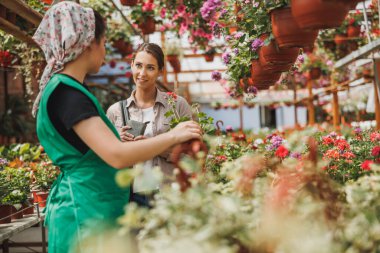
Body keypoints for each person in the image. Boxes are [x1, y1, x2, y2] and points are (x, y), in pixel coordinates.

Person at [32, 2, 201, 253]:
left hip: (93, 207)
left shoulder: (68, 90)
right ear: (89, 42)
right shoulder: (68, 94)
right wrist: (174, 135)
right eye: (103, 41)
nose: (105, 49)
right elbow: (116, 155)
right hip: (85, 213)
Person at [106, 43, 192, 204]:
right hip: (131, 198)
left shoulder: (177, 105)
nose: (142, 73)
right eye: (138, 65)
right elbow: (105, 158)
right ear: (131, 65)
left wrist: (154, 147)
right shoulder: (115, 111)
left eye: (150, 68)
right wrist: (115, 141)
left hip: (170, 194)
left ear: (160, 72)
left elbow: (191, 154)